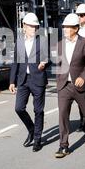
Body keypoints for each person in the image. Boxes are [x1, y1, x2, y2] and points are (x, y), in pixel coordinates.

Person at [55, 13, 85, 158]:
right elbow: (59, 64)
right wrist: (58, 78)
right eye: (64, 27)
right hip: (64, 86)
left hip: (79, 85)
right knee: (62, 114)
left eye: (68, 27)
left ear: (76, 28)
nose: (65, 30)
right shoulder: (60, 44)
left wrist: (83, 77)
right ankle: (63, 146)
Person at [9, 12, 50, 152]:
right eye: (31, 26)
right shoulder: (19, 41)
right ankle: (31, 129)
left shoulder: (42, 40)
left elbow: (47, 58)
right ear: (24, 26)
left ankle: (37, 139)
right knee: (19, 108)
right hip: (23, 80)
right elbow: (15, 61)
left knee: (38, 110)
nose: (34, 29)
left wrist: (44, 63)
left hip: (38, 79)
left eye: (36, 26)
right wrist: (12, 81)